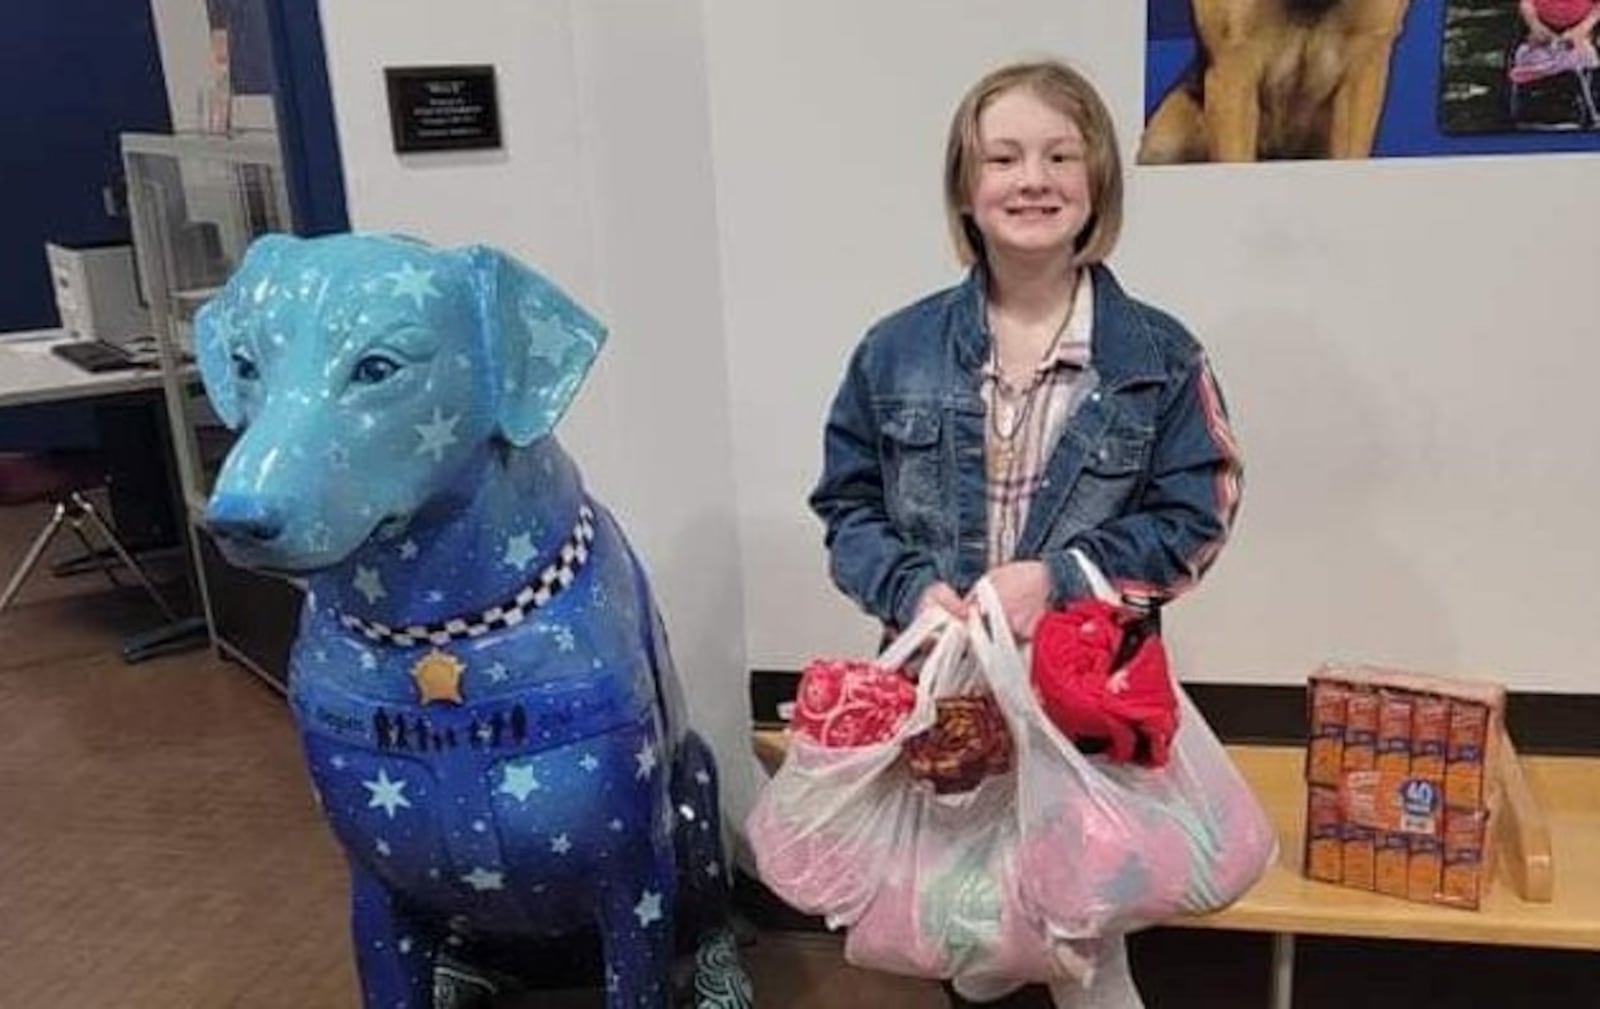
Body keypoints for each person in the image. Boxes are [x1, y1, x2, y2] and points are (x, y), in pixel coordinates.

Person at [808, 60, 1244, 1008]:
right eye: (1002, 157)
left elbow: (1196, 513)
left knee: (1087, 933)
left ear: (1098, 183)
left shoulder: (1158, 356)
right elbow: (847, 505)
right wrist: (909, 587)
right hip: (949, 697)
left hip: (1085, 699)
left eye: (1059, 154)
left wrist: (1062, 579)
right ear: (968, 188)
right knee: (969, 922)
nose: (1031, 178)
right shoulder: (895, 349)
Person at [1519, 0, 1600, 64]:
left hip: (1581, 27)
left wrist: (1582, 29)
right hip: (1541, 26)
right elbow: (1526, 3)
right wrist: (1534, 24)